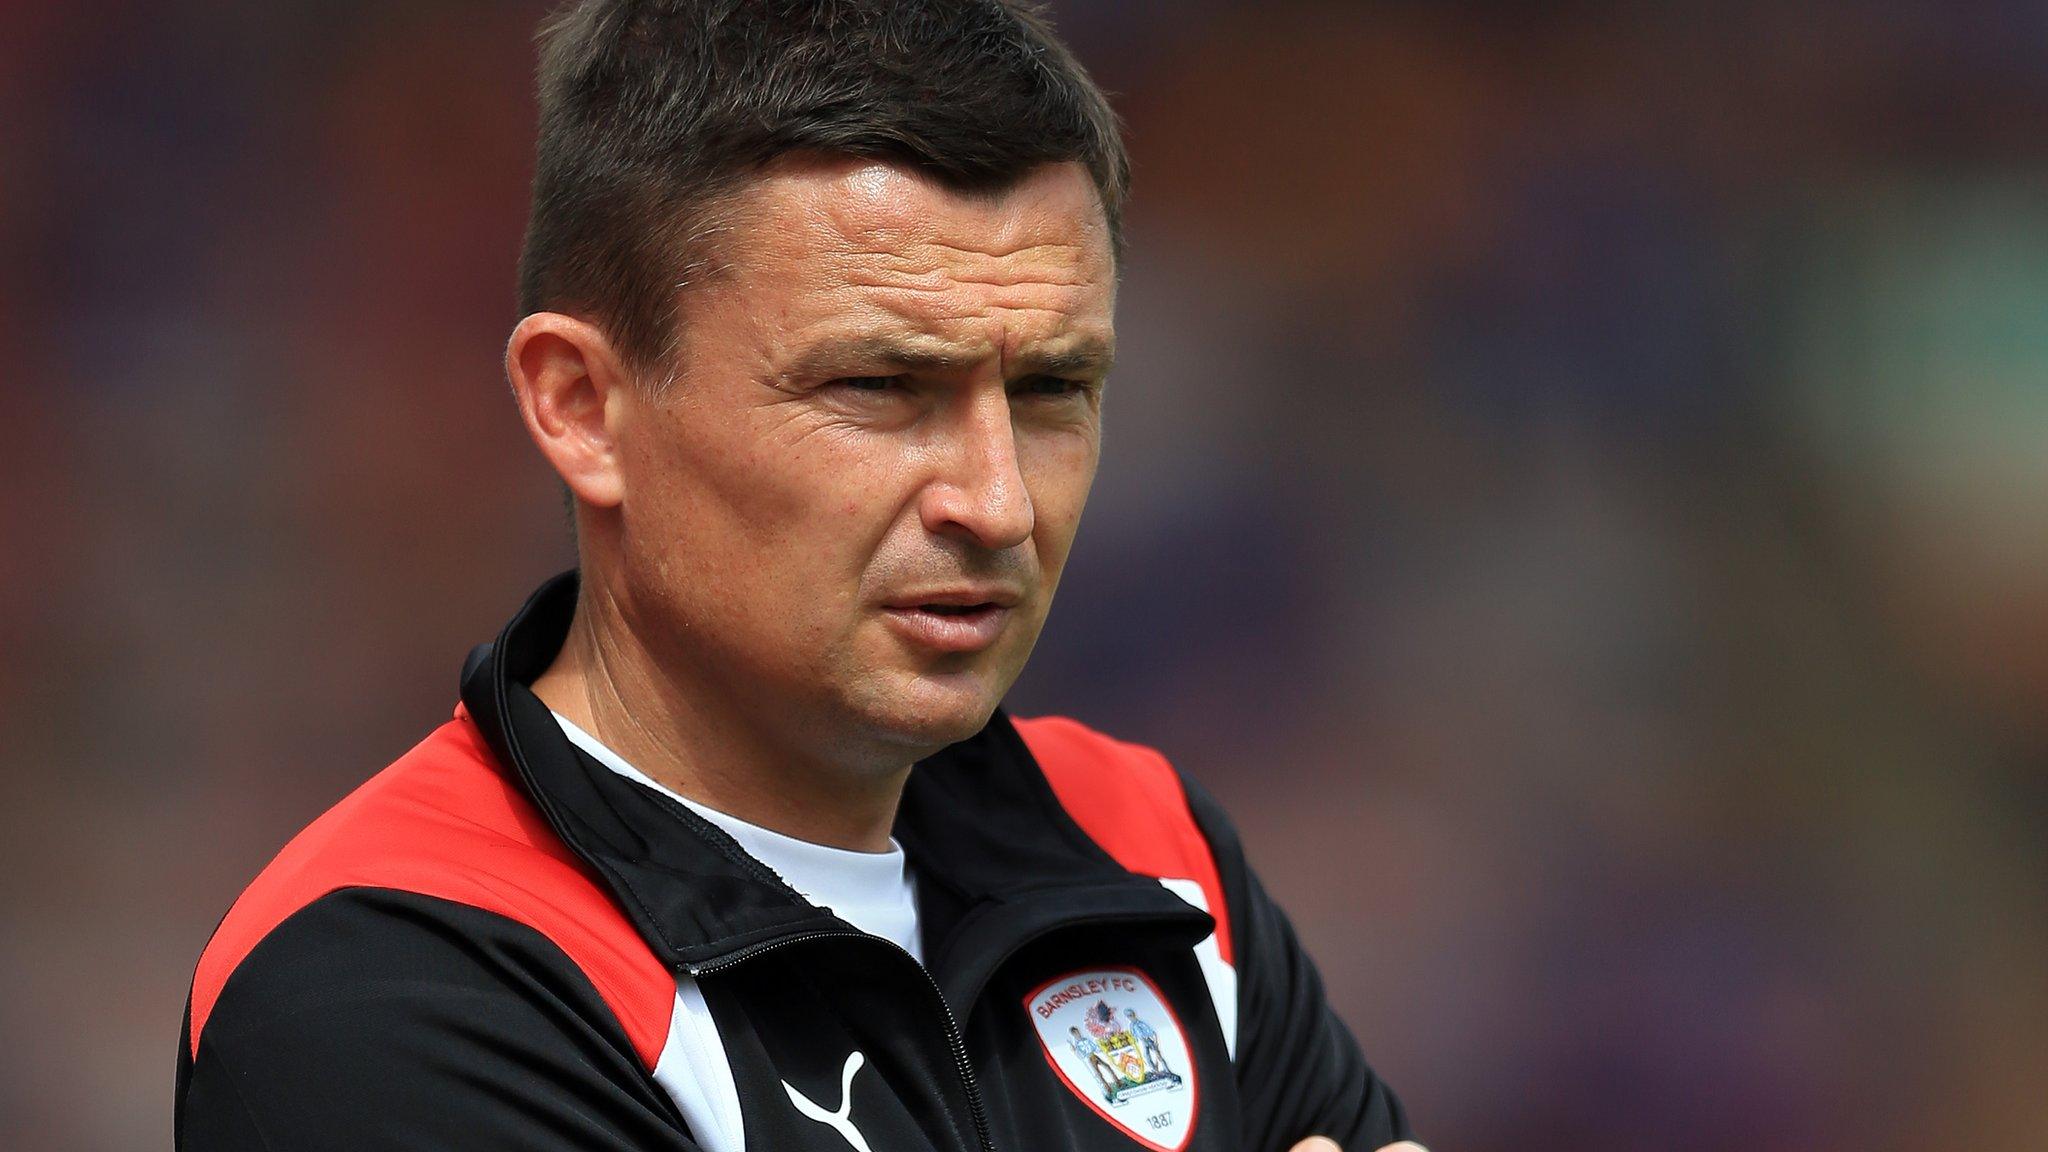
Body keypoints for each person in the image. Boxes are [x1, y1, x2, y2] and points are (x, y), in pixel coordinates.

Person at [175, 4, 1424, 1152]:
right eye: (876, 389)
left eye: (1051, 390)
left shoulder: (1152, 853)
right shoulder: (389, 976)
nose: (996, 503)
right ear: (583, 409)